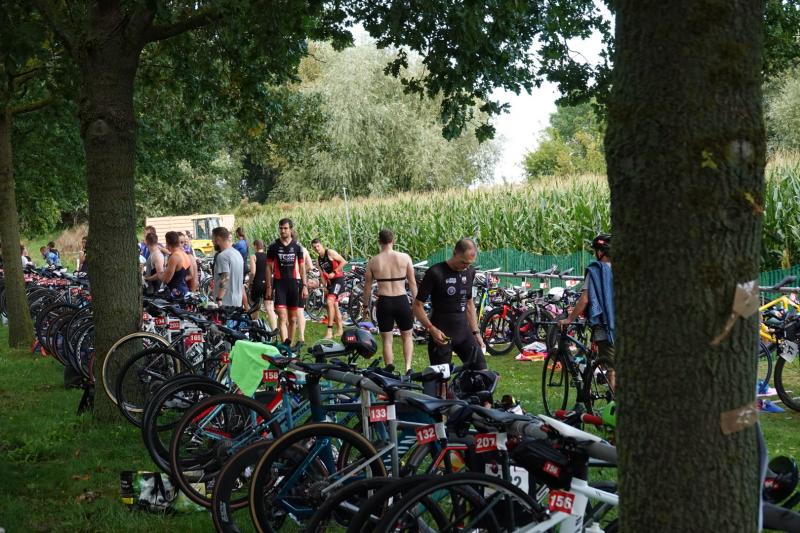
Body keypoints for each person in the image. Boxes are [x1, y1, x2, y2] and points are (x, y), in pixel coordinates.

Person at [413, 238, 486, 396]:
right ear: (455, 253)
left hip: (464, 333)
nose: (465, 266)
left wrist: (476, 332)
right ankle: (444, 409)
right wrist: (431, 329)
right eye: (463, 262)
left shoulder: (470, 272)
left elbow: (469, 303)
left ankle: (485, 410)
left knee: (482, 373)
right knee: (442, 387)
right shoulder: (435, 272)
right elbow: (417, 306)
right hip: (442, 335)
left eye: (469, 263)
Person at [559, 233, 615, 389]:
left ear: (600, 252)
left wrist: (569, 319)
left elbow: (585, 299)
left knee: (612, 369)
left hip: (604, 325)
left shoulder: (596, 271)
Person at [364, 229, 417, 372]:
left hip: (384, 302)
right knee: (407, 336)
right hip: (401, 301)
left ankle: (389, 367)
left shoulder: (373, 261)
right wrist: (416, 304)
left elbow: (367, 287)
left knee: (387, 339)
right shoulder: (405, 258)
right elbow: (412, 283)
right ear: (393, 240)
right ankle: (408, 368)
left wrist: (365, 306)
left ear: (379, 241)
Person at [265, 219, 308, 347]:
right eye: (281, 228)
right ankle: (285, 346)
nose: (283, 231)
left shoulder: (297, 247)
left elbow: (302, 267)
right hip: (279, 285)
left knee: (293, 319)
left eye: (285, 228)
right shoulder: (273, 247)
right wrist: (269, 286)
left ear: (290, 229)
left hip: (293, 285)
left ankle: (289, 344)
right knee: (282, 316)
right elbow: (268, 267)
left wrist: (304, 286)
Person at [311, 238, 347, 339]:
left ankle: (329, 331)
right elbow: (322, 275)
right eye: (314, 247)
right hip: (330, 283)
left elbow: (344, 262)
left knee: (330, 302)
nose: (317, 249)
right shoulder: (318, 261)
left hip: (338, 280)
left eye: (318, 246)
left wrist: (334, 272)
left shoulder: (330, 252)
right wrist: (324, 287)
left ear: (321, 245)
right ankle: (340, 330)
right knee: (334, 305)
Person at [212, 226, 244, 308]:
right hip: (237, 301)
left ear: (218, 239)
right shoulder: (237, 253)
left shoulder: (222, 256)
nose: (212, 242)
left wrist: (219, 298)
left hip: (226, 302)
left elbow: (225, 278)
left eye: (213, 239)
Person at [159, 231, 198, 299]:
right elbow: (191, 275)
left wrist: (159, 273)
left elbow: (166, 280)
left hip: (176, 294)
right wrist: (180, 280)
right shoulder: (186, 255)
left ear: (167, 243)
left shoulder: (175, 257)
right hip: (184, 291)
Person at [249, 239, 277, 327]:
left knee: (255, 307)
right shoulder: (269, 256)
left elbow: (253, 272)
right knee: (269, 308)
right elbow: (273, 270)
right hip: (269, 283)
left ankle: (255, 327)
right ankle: (274, 329)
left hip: (258, 283)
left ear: (255, 246)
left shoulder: (253, 256)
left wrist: (250, 282)